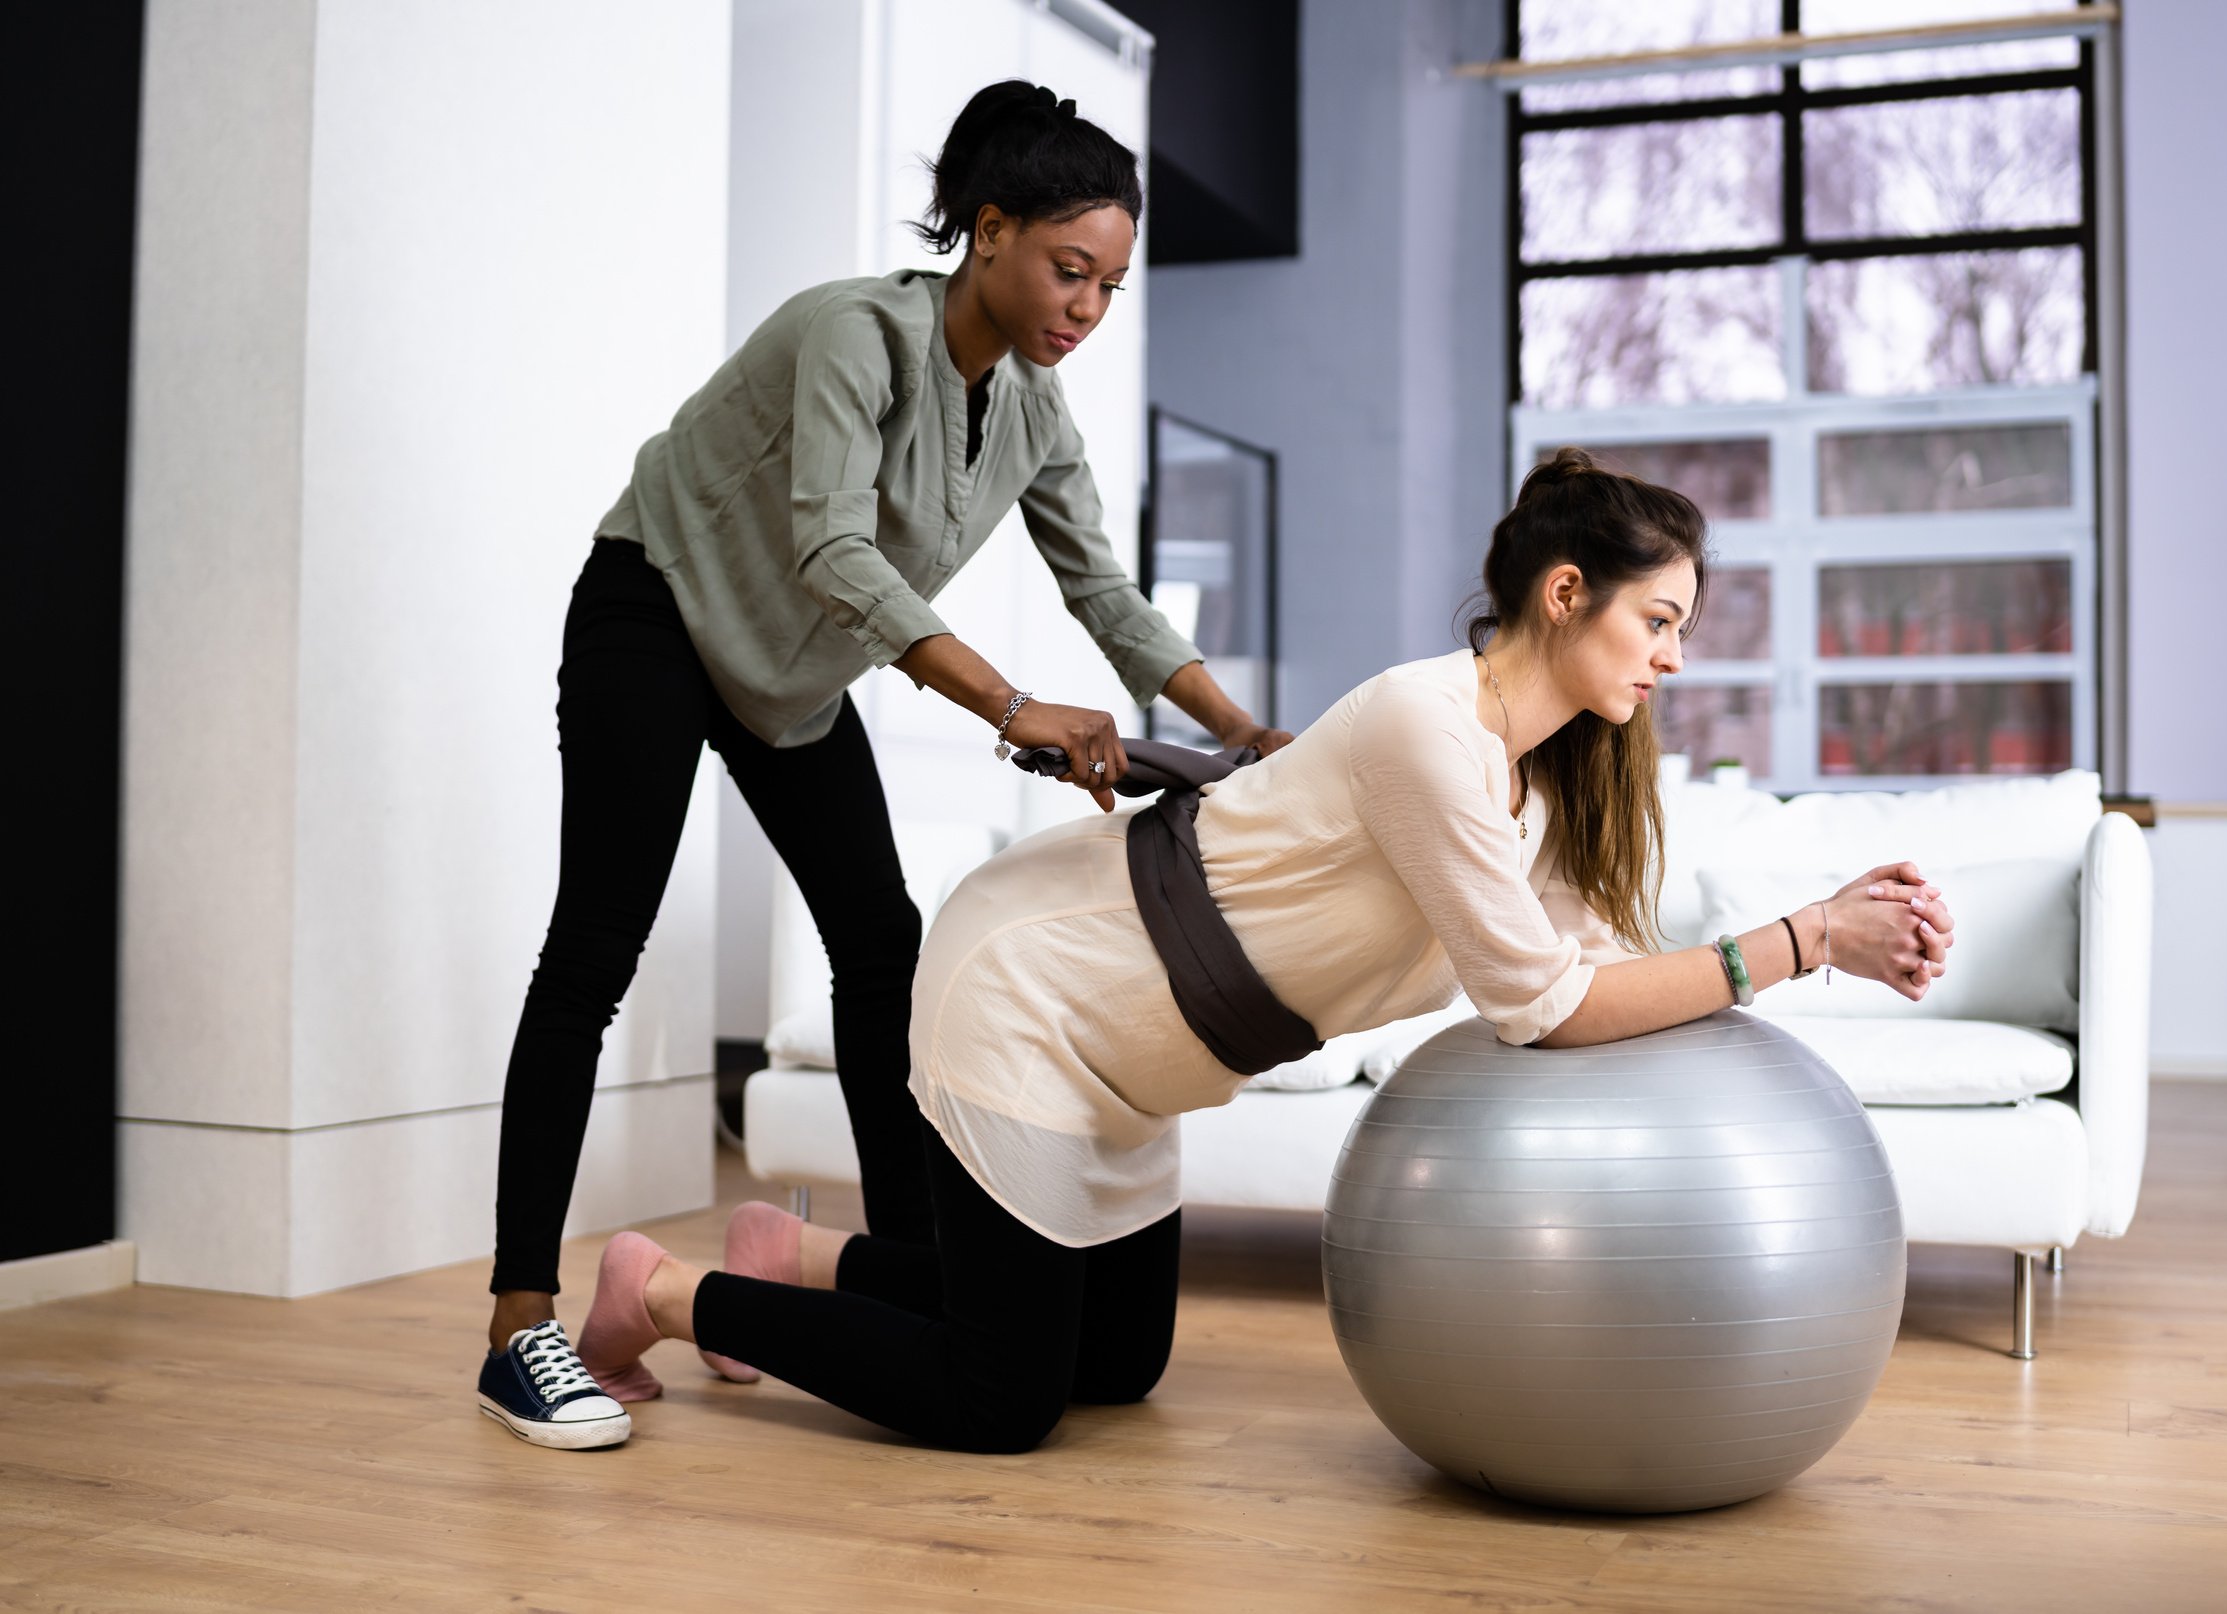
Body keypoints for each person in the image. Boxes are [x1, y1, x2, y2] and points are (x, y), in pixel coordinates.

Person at [565, 451, 1960, 1455]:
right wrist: (1801, 942)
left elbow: (1609, 963)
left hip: (1143, 1060)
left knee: (1115, 1368)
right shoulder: (1431, 728)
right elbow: (1542, 1007)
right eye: (1656, 621)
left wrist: (1832, 923)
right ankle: (671, 1291)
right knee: (1005, 1402)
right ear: (1562, 591)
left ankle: (794, 1264)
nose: (1669, 660)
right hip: (1038, 989)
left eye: (1679, 635)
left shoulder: (1541, 786)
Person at [474, 80, 1289, 1452]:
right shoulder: (852, 330)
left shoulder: (1029, 408)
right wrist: (1011, 703)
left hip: (786, 676)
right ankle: (516, 1323)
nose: (1084, 308)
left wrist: (1245, 732)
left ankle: (925, 1280)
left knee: (882, 946)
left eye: (1107, 286)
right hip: (657, 613)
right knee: (594, 950)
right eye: (1066, 269)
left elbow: (1108, 593)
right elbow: (831, 549)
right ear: (987, 234)